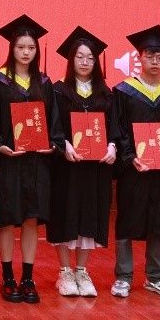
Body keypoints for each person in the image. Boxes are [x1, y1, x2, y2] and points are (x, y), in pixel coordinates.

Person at [109, 25, 160, 301]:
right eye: (150, 56)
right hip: (134, 169)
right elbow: (117, 131)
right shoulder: (123, 92)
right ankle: (123, 276)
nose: (155, 61)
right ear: (140, 58)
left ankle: (155, 277)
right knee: (127, 220)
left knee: (159, 219)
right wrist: (130, 157)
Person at [0, 14, 61, 304]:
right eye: (20, 47)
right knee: (7, 221)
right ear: (12, 49)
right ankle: (8, 277)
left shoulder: (44, 83)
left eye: (31, 47)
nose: (26, 52)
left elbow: (53, 123)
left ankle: (28, 278)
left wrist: (51, 145)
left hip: (36, 163)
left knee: (31, 219)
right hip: (9, 161)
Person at [47, 27, 119, 299]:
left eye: (90, 57)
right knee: (65, 212)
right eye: (79, 57)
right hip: (67, 165)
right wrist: (62, 144)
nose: (85, 62)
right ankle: (65, 271)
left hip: (94, 167)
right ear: (71, 60)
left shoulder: (106, 94)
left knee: (90, 212)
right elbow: (52, 126)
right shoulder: (58, 91)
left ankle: (82, 270)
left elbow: (115, 128)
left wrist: (112, 146)